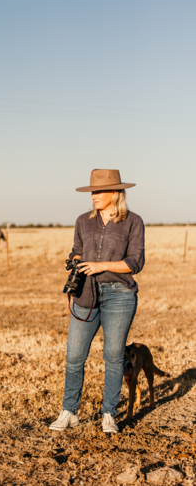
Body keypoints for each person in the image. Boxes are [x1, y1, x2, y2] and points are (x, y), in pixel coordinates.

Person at [49, 169, 145, 434]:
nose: (93, 196)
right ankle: (69, 413)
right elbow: (77, 250)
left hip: (120, 295)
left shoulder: (133, 222)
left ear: (114, 193)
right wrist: (75, 262)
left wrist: (100, 265)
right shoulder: (83, 221)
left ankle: (108, 415)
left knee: (113, 357)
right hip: (86, 294)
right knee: (74, 356)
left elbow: (135, 263)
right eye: (92, 191)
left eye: (98, 192)